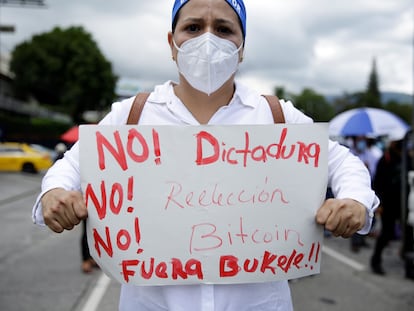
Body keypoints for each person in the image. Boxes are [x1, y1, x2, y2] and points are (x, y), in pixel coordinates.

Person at [32, 1, 379, 310]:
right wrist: (54, 194)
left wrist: (355, 201)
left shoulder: (276, 116)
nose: (208, 39)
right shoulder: (131, 115)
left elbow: (342, 161)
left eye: (224, 29)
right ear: (172, 43)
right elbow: (72, 165)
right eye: (194, 27)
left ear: (241, 48)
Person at [370, 138, 410, 275]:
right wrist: (379, 203)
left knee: (409, 236)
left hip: (404, 205)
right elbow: (378, 183)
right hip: (388, 205)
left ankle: (409, 265)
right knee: (386, 234)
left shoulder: (407, 159)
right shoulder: (385, 159)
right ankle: (376, 261)